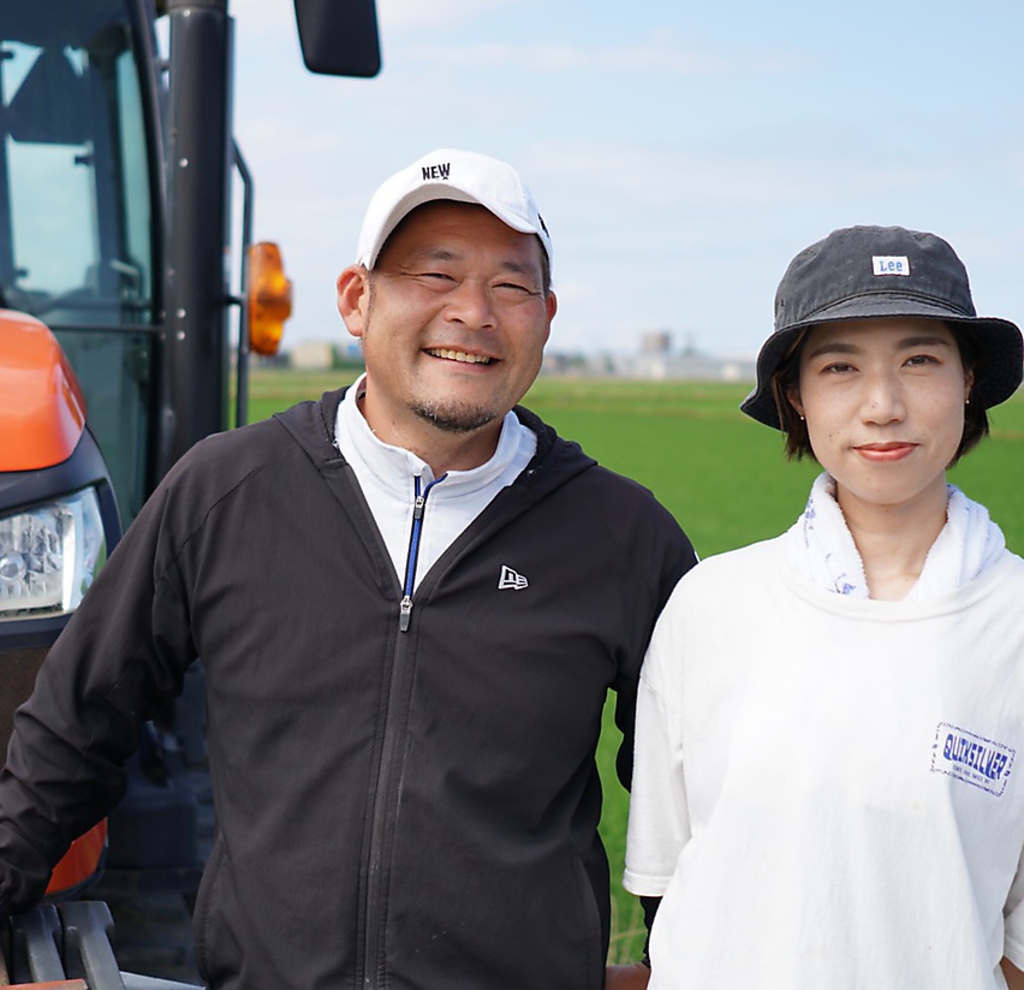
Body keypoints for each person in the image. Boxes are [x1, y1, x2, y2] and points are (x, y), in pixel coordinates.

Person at [0, 148, 695, 990]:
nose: (473, 312)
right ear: (356, 300)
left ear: (545, 316)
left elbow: (688, 794)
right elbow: (76, 725)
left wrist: (695, 961)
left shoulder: (624, 537)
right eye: (435, 275)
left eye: (510, 286)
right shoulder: (228, 491)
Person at [623, 224, 1024, 989]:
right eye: (840, 366)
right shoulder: (709, 606)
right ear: (795, 395)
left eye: (920, 359)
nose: (883, 404)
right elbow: (669, 882)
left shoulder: (1015, 624)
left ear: (968, 379)